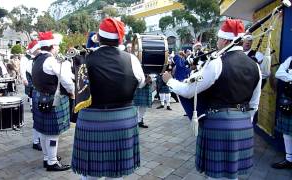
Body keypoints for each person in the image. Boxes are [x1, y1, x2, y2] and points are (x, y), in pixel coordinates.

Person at [163, 19, 262, 180]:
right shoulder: (254, 65)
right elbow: (254, 104)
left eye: (218, 39)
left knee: (217, 177)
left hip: (219, 123)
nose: (217, 42)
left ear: (224, 40)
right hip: (244, 123)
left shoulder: (217, 63)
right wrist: (243, 120)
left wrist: (170, 81)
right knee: (232, 175)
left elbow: (189, 91)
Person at [71, 17, 145, 180]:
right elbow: (140, 83)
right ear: (119, 39)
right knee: (116, 174)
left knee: (90, 175)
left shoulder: (84, 59)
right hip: (122, 122)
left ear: (99, 37)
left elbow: (77, 87)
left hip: (91, 122)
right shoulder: (131, 59)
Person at [32, 31, 74, 171]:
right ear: (51, 46)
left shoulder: (37, 59)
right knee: (52, 133)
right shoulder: (51, 60)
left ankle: (47, 158)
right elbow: (66, 79)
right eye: (56, 45)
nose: (57, 48)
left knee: (43, 131)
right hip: (52, 99)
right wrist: (72, 91)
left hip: (40, 97)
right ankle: (52, 162)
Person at [20, 40, 42, 151]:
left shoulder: (36, 59)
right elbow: (23, 70)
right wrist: (24, 79)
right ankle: (36, 141)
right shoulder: (27, 59)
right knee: (37, 117)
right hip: (34, 89)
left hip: (38, 90)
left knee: (38, 118)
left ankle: (39, 140)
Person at [272, 56, 292, 169]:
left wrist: (288, 77)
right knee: (287, 133)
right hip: (289, 100)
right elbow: (278, 73)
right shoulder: (290, 59)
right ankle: (289, 160)